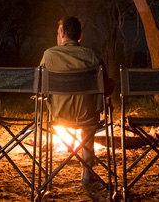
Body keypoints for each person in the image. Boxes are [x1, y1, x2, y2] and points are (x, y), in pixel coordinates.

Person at [39, 16, 112, 187]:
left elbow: (39, 86)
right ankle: (87, 171)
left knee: (85, 115)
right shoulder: (93, 56)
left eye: (58, 32)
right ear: (80, 36)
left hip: (59, 116)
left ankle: (50, 179)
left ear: (63, 33)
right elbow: (106, 87)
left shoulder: (49, 56)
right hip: (88, 116)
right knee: (88, 118)